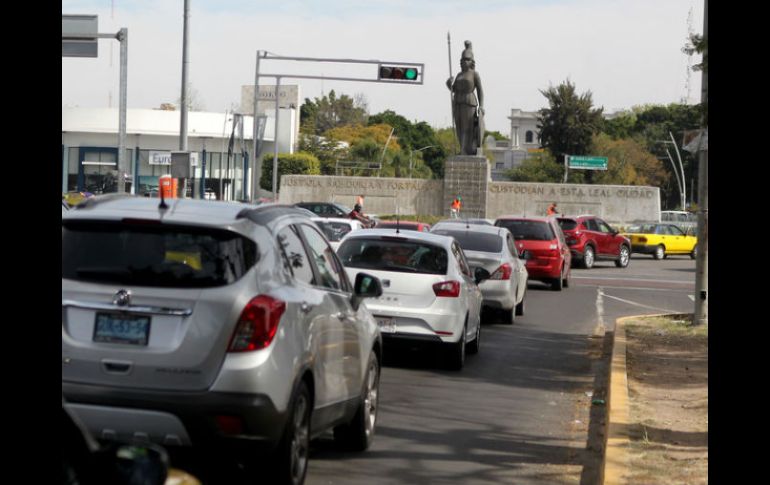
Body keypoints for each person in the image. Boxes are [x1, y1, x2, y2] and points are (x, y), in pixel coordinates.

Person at [446, 40, 485, 155]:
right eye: (463, 60)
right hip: (458, 102)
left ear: (472, 61)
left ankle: (464, 150)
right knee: (459, 127)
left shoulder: (474, 74)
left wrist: (481, 106)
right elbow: (454, 90)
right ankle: (462, 148)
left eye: (467, 59)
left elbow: (480, 90)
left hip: (469, 102)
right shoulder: (458, 75)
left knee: (467, 127)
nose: (464, 62)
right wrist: (449, 85)